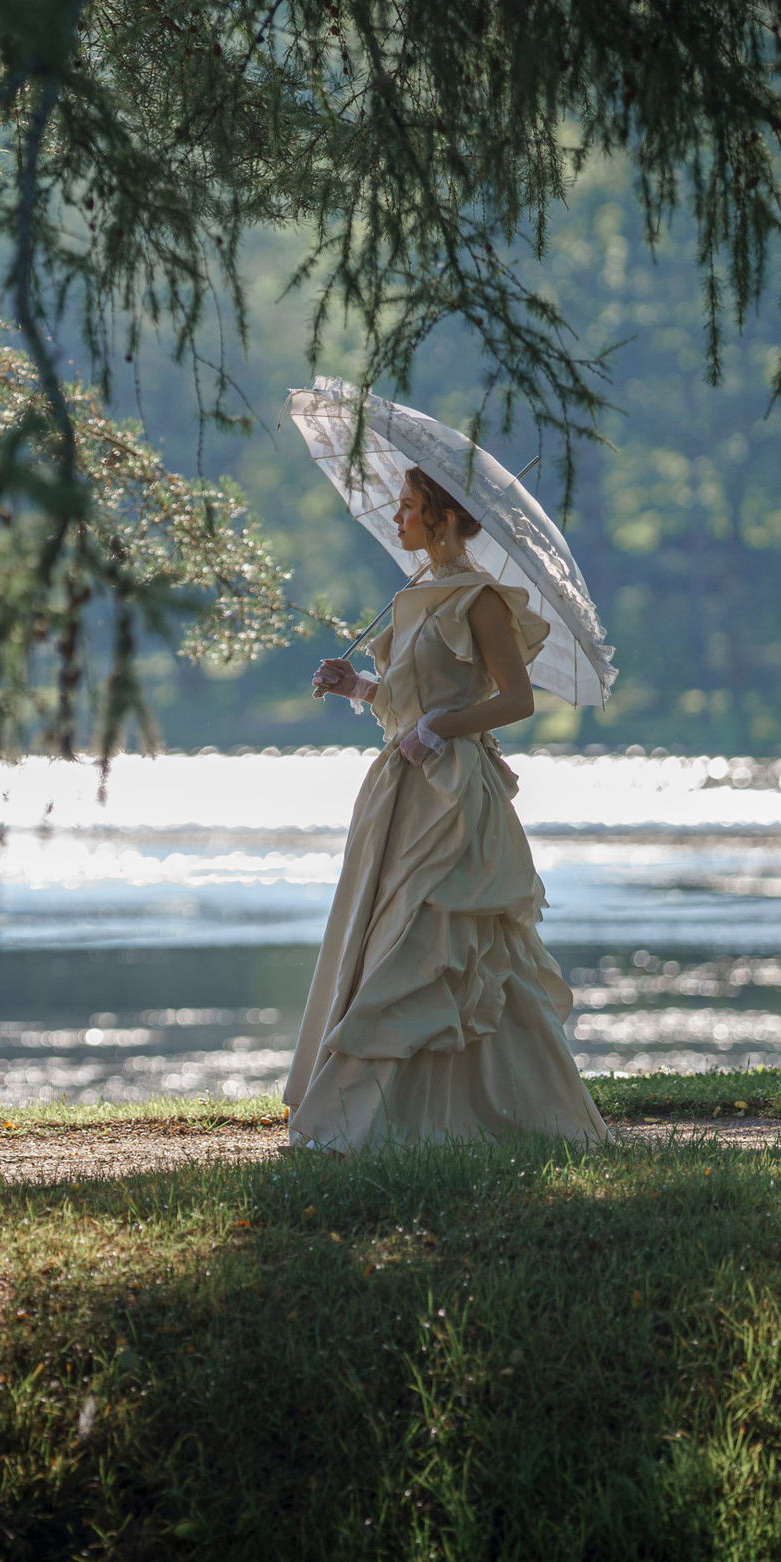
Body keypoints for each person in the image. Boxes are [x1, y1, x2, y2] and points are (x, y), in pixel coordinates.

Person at [289, 465, 609, 1151]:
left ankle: (489, 1115)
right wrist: (359, 687)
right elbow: (406, 703)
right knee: (389, 938)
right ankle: (375, 1115)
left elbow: (515, 701)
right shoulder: (416, 592)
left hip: (454, 793)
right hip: (400, 790)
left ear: (440, 518)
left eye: (408, 508)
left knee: (445, 944)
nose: (397, 518)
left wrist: (440, 728)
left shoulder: (480, 601)